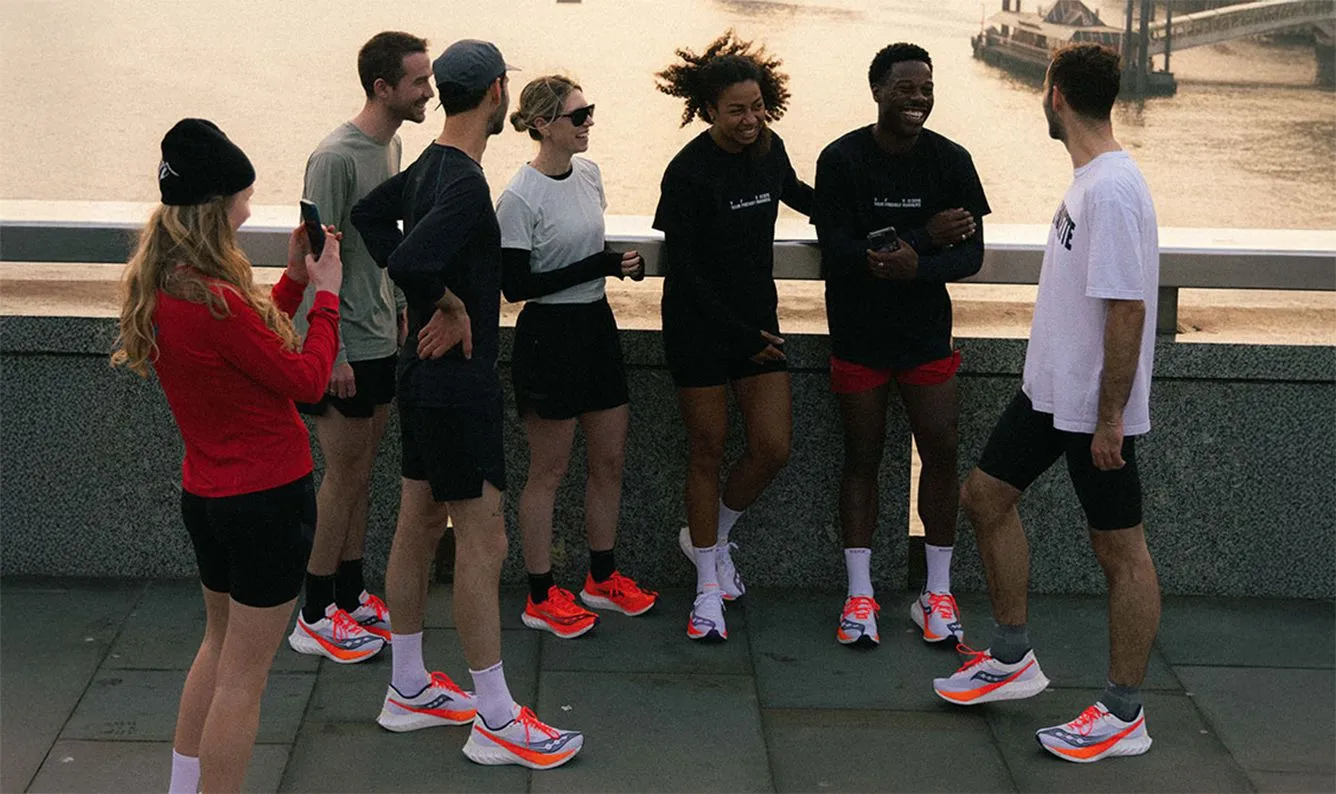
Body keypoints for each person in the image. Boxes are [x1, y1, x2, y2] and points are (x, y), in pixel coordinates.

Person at [352, 39, 582, 769]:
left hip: (421, 381)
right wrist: (446, 301)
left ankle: (408, 688)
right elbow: (410, 256)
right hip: (457, 386)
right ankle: (497, 720)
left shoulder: (428, 166)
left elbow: (367, 216)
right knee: (485, 545)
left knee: (418, 525)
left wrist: (426, 296)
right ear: (497, 94)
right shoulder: (464, 184)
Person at [932, 43, 1161, 764]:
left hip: (1092, 408)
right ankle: (1012, 657)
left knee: (1121, 552)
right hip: (1050, 395)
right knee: (985, 497)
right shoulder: (1091, 180)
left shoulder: (1113, 189)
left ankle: (1123, 714)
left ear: (1055, 94)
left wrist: (1110, 420)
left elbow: (1128, 309)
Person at [111, 119, 348, 792]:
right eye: (243, 198)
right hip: (268, 502)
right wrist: (328, 295)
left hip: (209, 498)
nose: (248, 210)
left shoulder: (169, 287)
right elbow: (305, 378)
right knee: (245, 680)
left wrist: (295, 283)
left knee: (217, 647)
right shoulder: (215, 300)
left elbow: (249, 349)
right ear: (216, 206)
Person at [813, 42, 988, 648]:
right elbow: (837, 251)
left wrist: (918, 264)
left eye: (926, 88)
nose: (918, 98)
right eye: (906, 87)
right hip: (858, 335)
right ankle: (859, 594)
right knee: (862, 458)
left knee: (942, 451)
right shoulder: (841, 159)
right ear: (877, 91)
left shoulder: (951, 161)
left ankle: (936, 592)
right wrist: (923, 237)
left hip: (925, 338)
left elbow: (972, 254)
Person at [653, 31, 813, 642]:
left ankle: (709, 539)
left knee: (773, 447)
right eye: (736, 110)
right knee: (707, 450)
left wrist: (871, 221)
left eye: (758, 107)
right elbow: (687, 273)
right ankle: (706, 590)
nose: (750, 120)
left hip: (757, 323)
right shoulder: (687, 171)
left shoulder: (769, 149)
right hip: (698, 326)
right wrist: (740, 335)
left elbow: (800, 196)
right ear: (708, 110)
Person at [287, 30, 434, 662]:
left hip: (379, 333)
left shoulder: (393, 144)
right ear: (383, 87)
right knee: (342, 476)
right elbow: (316, 259)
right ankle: (314, 613)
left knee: (361, 476)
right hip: (341, 345)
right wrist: (336, 353)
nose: (429, 91)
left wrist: (397, 302)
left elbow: (384, 238)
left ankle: (349, 594)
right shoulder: (334, 158)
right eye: (419, 81)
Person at [497, 74, 657, 639]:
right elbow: (516, 286)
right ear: (543, 125)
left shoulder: (589, 175)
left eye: (590, 112)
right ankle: (540, 594)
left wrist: (619, 264)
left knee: (609, 460)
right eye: (578, 115)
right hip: (549, 336)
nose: (589, 123)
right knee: (550, 469)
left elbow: (588, 251)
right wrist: (599, 265)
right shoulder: (519, 197)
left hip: (596, 325)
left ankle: (601, 578)